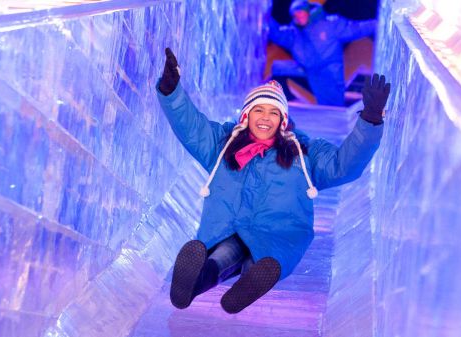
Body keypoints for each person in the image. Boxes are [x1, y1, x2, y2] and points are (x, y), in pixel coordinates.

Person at [156, 48, 390, 314]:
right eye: (259, 110)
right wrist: (171, 93)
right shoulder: (223, 143)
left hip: (278, 232)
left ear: (282, 120)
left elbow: (343, 166)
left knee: (262, 261)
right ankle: (190, 284)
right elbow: (192, 127)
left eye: (273, 112)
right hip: (228, 227)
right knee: (223, 255)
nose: (265, 118)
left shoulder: (304, 152)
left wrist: (370, 120)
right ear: (246, 115)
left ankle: (247, 285)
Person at [269, 0, 377, 106]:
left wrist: (378, 23)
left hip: (329, 70)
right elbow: (277, 34)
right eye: (295, 14)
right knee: (276, 67)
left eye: (301, 12)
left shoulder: (329, 25)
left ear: (308, 11)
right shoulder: (293, 34)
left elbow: (357, 29)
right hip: (309, 70)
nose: (298, 16)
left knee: (332, 105)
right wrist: (264, 17)